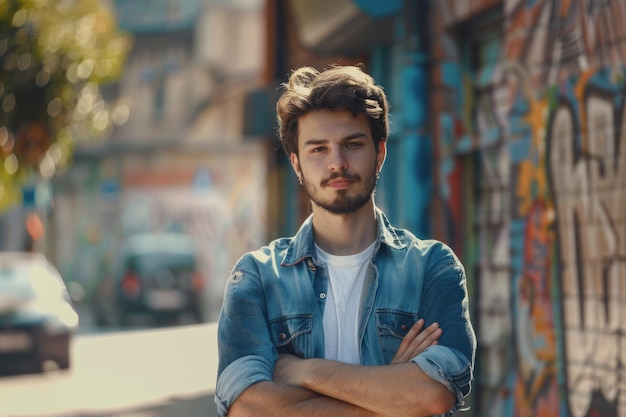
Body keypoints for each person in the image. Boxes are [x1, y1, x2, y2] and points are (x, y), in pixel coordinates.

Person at [215, 65, 476, 417]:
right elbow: (248, 407)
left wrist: (302, 371)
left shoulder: (432, 268)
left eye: (352, 144)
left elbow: (431, 396)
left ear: (380, 153)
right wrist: (391, 394)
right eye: (318, 149)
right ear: (296, 164)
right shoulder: (258, 278)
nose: (337, 163)